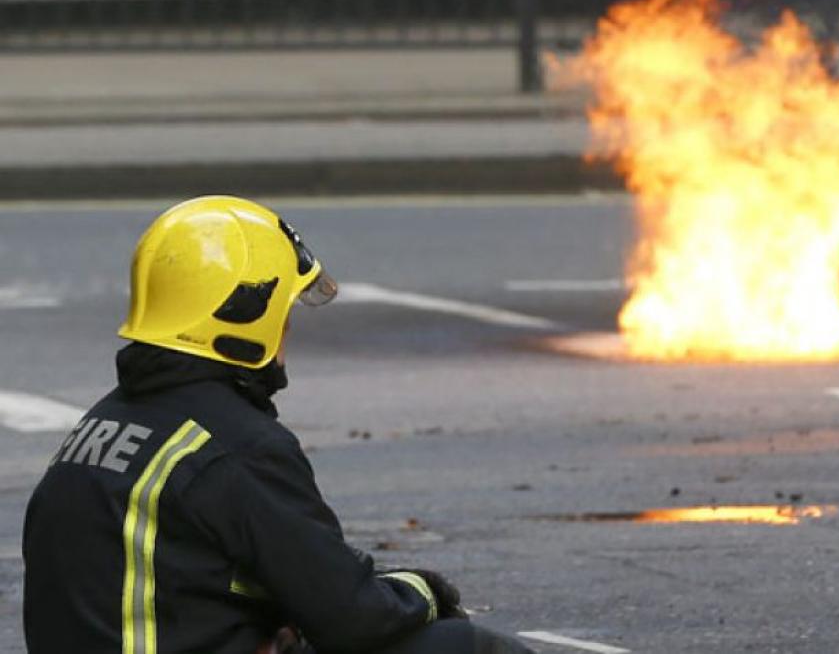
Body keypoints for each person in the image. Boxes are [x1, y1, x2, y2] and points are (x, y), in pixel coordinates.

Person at [22, 195, 534, 654]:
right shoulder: (236, 446)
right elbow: (352, 616)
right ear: (244, 315)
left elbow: (182, 576)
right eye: (283, 309)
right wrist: (423, 591)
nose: (287, 326)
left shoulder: (100, 425)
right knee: (466, 647)